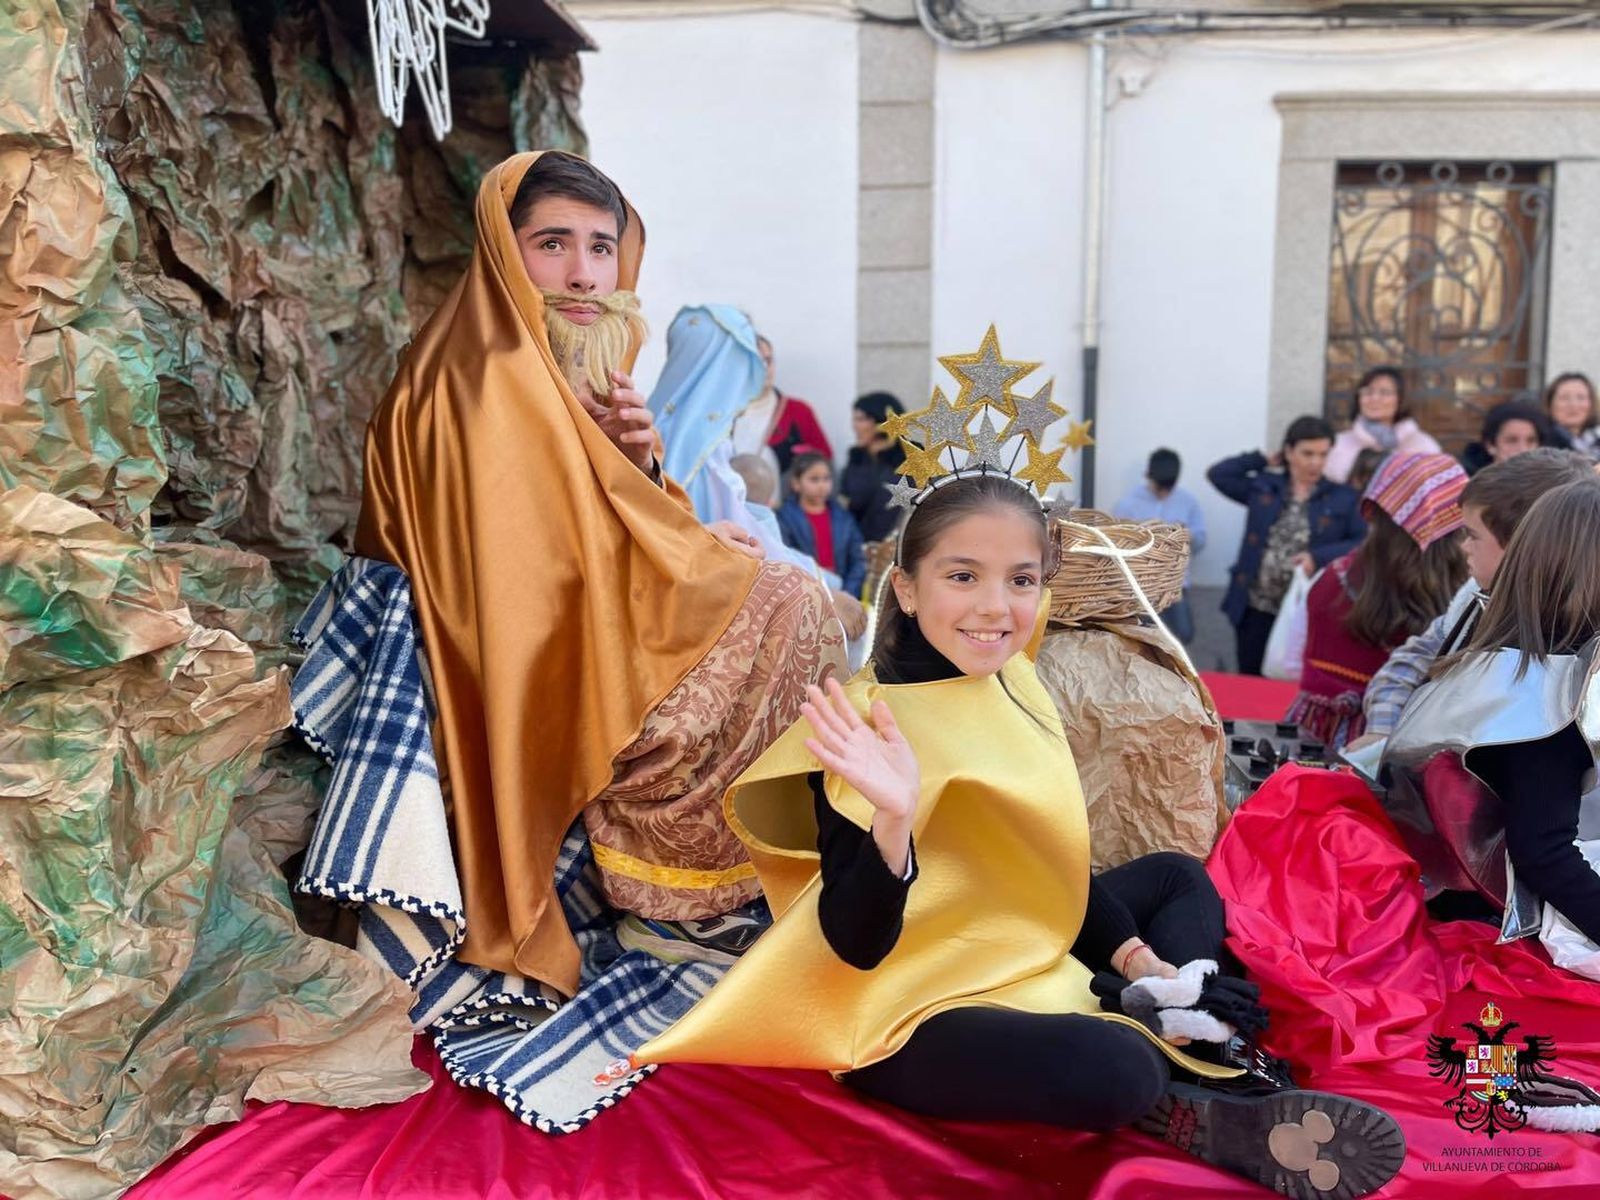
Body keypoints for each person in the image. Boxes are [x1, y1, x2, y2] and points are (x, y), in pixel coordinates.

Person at [639, 472, 1406, 1199]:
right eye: (963, 576)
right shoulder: (866, 728)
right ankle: (1175, 1080)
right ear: (905, 588)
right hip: (907, 1012)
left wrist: (1140, 958)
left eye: (1022, 579)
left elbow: (1046, 863)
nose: (996, 607)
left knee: (1175, 876)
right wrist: (895, 818)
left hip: (1013, 937)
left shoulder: (1013, 679)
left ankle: (1182, 1007)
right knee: (1118, 1069)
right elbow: (856, 946)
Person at [354, 152, 845, 993]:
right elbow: (520, 579)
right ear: (505, 251)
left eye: (600, 246)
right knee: (790, 603)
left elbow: (591, 533)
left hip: (578, 622)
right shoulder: (482, 377)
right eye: (552, 244)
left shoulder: (546, 367)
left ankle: (698, 892)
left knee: (774, 591)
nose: (583, 275)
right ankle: (667, 896)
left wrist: (640, 466)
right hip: (517, 657)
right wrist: (684, 553)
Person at [1384, 477, 1600, 965]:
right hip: (1486, 933)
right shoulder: (1548, 697)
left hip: (1434, 904)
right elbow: (1543, 854)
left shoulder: (1501, 663)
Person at [1356, 448, 1594, 748]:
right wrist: (1382, 732)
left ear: (1528, 542)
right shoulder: (1472, 597)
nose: (1462, 547)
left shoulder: (1577, 630)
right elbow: (1411, 661)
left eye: (1473, 535)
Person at [1286, 454, 1467, 751]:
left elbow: (1291, 661)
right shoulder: (1461, 597)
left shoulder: (1331, 576)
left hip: (1312, 733)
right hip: (1402, 744)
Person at [1208, 417, 1366, 677]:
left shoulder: (1343, 497)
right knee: (1250, 682)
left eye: (1323, 454)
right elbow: (1219, 474)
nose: (1316, 462)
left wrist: (1318, 557)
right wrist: (1262, 459)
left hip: (1305, 613)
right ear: (1289, 452)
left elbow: (1362, 543)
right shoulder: (1264, 486)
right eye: (1307, 453)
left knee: (1292, 687)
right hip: (1255, 606)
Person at [1112, 448, 1207, 644]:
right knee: (1143, 638)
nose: (1164, 492)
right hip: (1139, 584)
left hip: (1175, 583)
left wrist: (1185, 535)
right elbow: (1115, 540)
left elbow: (1200, 541)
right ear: (1148, 475)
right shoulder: (1128, 503)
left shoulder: (1188, 502)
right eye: (1159, 486)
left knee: (1183, 633)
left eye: (1168, 487)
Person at [777, 452, 869, 626]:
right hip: (806, 599)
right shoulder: (785, 518)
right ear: (796, 484)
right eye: (814, 479)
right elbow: (787, 560)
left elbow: (858, 560)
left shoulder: (843, 517)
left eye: (826, 479)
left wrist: (847, 593)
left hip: (842, 592)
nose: (822, 486)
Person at [727, 333, 833, 475]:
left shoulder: (798, 412)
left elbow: (824, 466)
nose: (765, 368)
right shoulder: (719, 414)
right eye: (757, 362)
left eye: (768, 361)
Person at [1322, 367, 1442, 484]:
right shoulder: (1338, 445)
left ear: (1401, 399)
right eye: (1368, 392)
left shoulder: (1422, 446)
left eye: (1384, 392)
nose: (1374, 398)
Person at [838, 391, 909, 544]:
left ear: (882, 420)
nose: (855, 425)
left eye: (861, 419)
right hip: (859, 549)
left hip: (899, 548)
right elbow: (846, 504)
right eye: (854, 419)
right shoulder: (856, 458)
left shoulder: (911, 457)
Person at [1459, 401, 1553, 476]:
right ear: (1490, 445)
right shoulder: (1467, 488)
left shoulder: (1551, 488)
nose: (1523, 449)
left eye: (1531, 441)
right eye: (1512, 440)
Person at [1545, 371, 1600, 461]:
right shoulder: (1539, 441)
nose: (1573, 404)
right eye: (1564, 398)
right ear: (1550, 404)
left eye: (1581, 397)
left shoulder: (1597, 438)